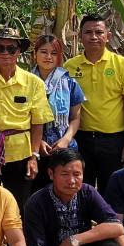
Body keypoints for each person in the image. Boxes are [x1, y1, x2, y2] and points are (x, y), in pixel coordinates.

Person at [0, 25, 52, 208]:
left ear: (19, 52)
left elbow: (38, 122)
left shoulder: (34, 83)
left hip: (20, 153)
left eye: (11, 48)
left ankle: (17, 237)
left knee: (18, 203)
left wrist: (34, 157)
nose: (5, 53)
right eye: (0, 48)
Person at [64, 13, 124, 192]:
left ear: (108, 36)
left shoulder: (122, 65)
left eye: (99, 32)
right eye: (88, 32)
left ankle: (110, 221)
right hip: (81, 139)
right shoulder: (70, 66)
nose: (93, 36)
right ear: (80, 36)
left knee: (113, 190)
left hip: (114, 141)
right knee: (81, 189)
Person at [30, 33, 85, 189]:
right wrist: (38, 141)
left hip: (64, 148)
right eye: (43, 52)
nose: (48, 57)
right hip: (32, 149)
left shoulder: (69, 82)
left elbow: (75, 118)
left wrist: (66, 140)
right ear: (35, 54)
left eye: (54, 53)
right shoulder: (24, 81)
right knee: (36, 192)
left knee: (64, 190)